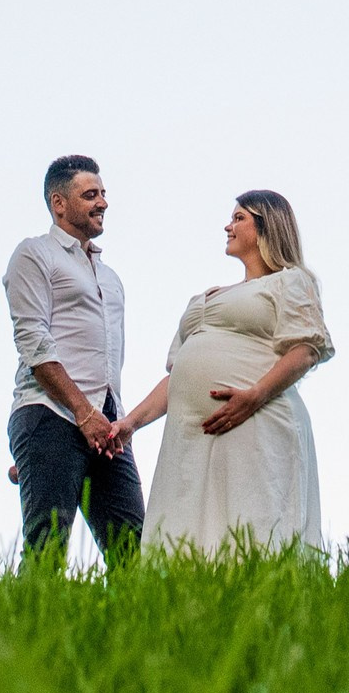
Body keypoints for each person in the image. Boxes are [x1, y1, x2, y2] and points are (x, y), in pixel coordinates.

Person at [118, 190, 334, 554]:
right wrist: (131, 424)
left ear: (266, 226)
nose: (228, 226)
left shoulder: (289, 281)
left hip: (257, 421)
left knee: (253, 528)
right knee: (185, 535)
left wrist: (255, 396)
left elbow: (306, 349)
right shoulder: (205, 298)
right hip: (189, 434)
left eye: (239, 218)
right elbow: (178, 376)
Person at [4, 154, 144, 562]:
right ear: (58, 203)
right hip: (51, 415)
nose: (102, 202)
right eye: (90, 194)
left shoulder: (110, 277)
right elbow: (34, 342)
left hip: (107, 424)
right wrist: (82, 413)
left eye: (103, 194)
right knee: (47, 549)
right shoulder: (34, 255)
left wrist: (106, 418)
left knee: (133, 552)